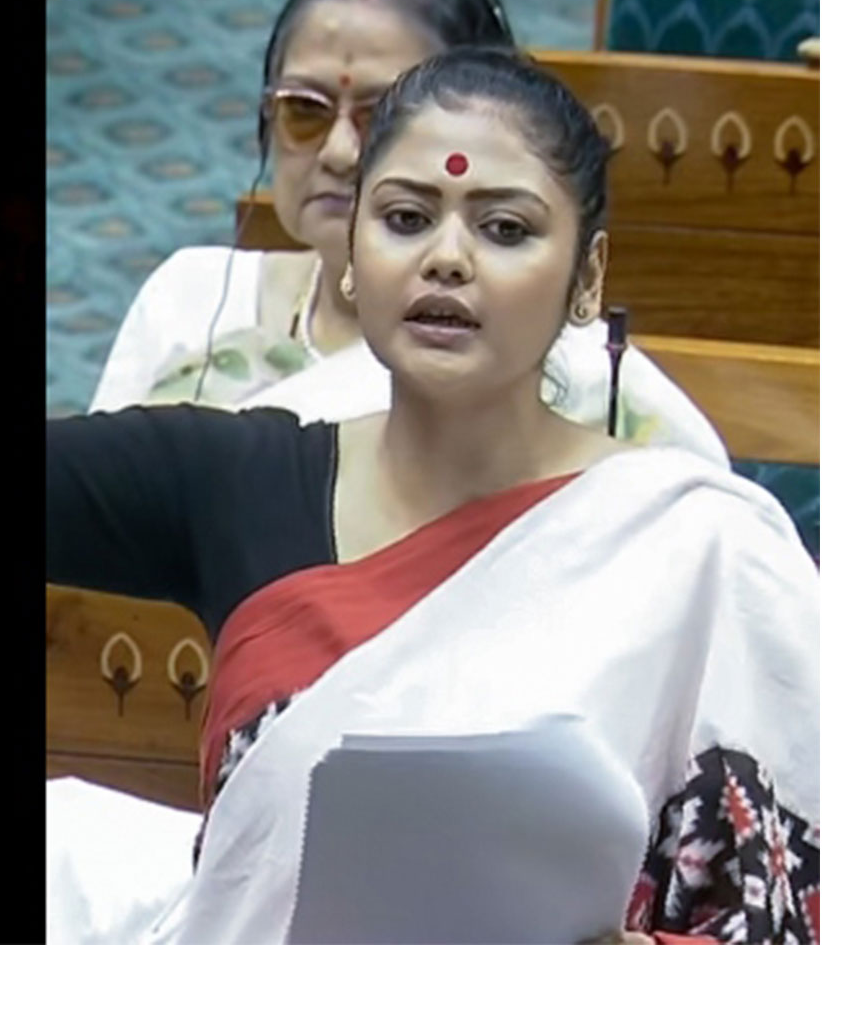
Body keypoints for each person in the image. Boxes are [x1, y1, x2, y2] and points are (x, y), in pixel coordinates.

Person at [46, 48, 818, 944]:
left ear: (588, 277)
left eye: (505, 229)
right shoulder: (230, 479)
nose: (447, 258)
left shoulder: (698, 547)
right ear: (350, 251)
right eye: (406, 219)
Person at [89, 0, 725, 465]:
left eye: (381, 117)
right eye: (305, 110)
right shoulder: (191, 300)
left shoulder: (589, 384)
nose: (339, 152)